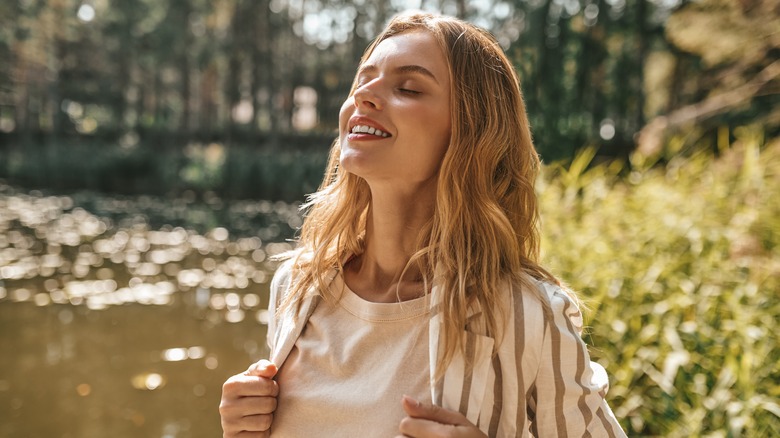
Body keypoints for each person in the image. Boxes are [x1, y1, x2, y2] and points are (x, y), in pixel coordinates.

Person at [219, 11, 627, 438]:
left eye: (408, 88)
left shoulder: (524, 313)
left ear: (471, 131)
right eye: (362, 80)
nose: (364, 96)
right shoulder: (297, 284)